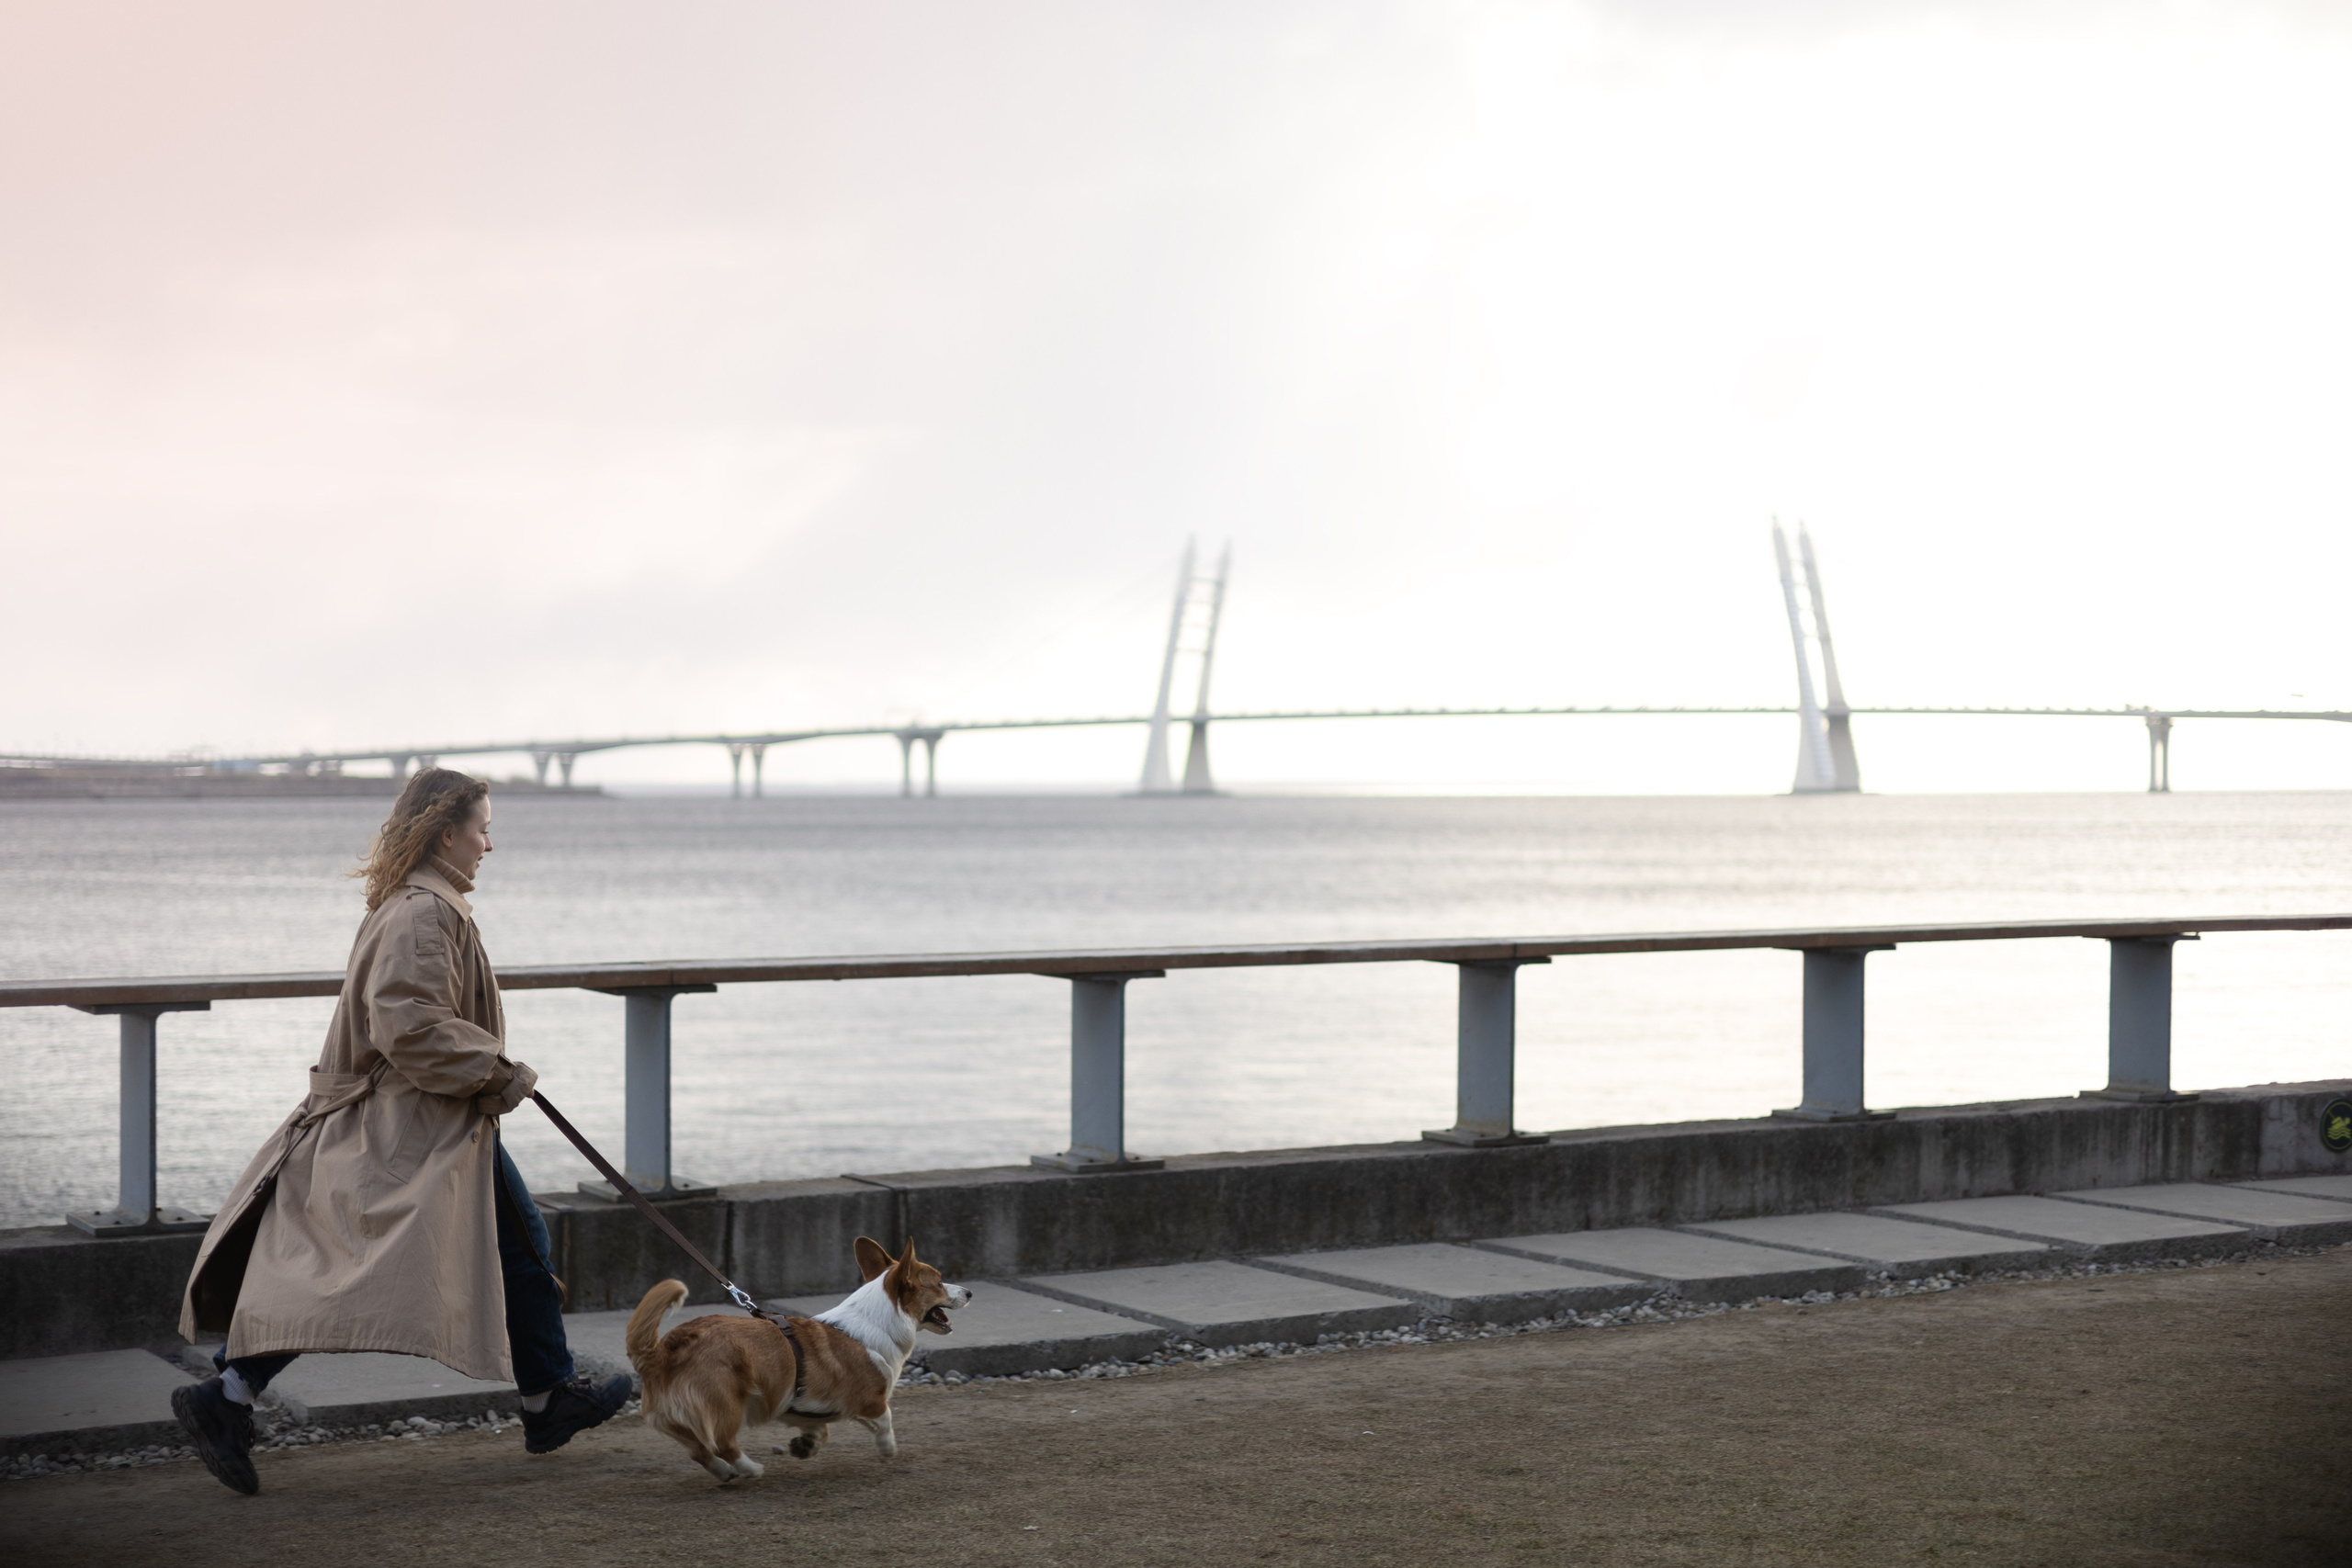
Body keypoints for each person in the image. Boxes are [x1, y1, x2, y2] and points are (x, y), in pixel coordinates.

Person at [171, 769, 630, 1495]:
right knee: (348, 1281)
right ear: (448, 832)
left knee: (512, 1247)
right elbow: (409, 1025)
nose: (490, 842)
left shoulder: (420, 903)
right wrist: (499, 1071)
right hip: (408, 1126)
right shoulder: (424, 912)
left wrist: (490, 1075)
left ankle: (546, 1396)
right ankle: (226, 1395)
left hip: (424, 1119)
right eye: (482, 827)